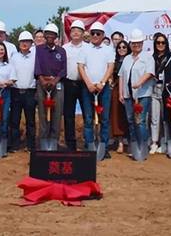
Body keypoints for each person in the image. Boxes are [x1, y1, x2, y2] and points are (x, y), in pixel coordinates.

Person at [79, 22, 114, 158]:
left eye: (98, 33)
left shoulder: (108, 49)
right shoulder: (85, 49)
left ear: (103, 35)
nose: (95, 36)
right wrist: (88, 83)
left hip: (103, 89)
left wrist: (103, 82)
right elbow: (81, 67)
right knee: (88, 119)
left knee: (104, 119)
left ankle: (103, 147)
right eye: (93, 33)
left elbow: (110, 67)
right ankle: (90, 145)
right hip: (87, 88)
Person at [118, 29, 155, 151]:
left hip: (142, 95)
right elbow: (121, 76)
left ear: (142, 43)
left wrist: (139, 83)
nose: (136, 45)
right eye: (134, 43)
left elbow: (149, 73)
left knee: (140, 121)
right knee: (130, 121)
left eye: (138, 42)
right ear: (130, 44)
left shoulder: (147, 57)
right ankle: (134, 145)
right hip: (129, 95)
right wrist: (121, 93)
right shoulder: (127, 58)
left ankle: (143, 145)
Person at [34, 23, 67, 149]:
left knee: (57, 113)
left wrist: (55, 81)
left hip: (57, 84)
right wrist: (42, 80)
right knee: (42, 113)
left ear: (56, 36)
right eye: (47, 34)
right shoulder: (38, 50)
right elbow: (36, 66)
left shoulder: (61, 51)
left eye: (52, 34)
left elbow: (63, 69)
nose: (49, 36)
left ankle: (54, 140)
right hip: (42, 83)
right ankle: (43, 139)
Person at [9, 31, 37, 152]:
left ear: (31, 43)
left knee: (30, 120)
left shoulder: (35, 57)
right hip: (15, 91)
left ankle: (30, 145)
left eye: (27, 41)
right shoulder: (14, 57)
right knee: (15, 120)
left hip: (30, 92)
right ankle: (14, 144)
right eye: (22, 42)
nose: (24, 44)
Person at [62, 20, 87, 151]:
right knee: (68, 115)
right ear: (70, 33)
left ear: (83, 33)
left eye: (78, 30)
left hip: (84, 84)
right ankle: (70, 144)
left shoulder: (88, 48)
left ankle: (88, 142)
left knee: (87, 114)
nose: (76, 33)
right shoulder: (64, 48)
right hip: (68, 83)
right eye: (73, 30)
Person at [150, 33, 171, 154]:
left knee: (165, 118)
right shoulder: (151, 57)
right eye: (158, 42)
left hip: (166, 90)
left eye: (163, 42)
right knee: (154, 117)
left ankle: (165, 142)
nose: (160, 45)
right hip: (154, 89)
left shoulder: (170, 57)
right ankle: (154, 142)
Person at [110, 40, 130, 153]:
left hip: (130, 90)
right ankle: (120, 142)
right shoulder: (114, 61)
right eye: (119, 47)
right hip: (116, 91)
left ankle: (130, 140)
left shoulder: (131, 60)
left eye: (124, 47)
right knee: (117, 116)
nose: (121, 49)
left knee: (129, 116)